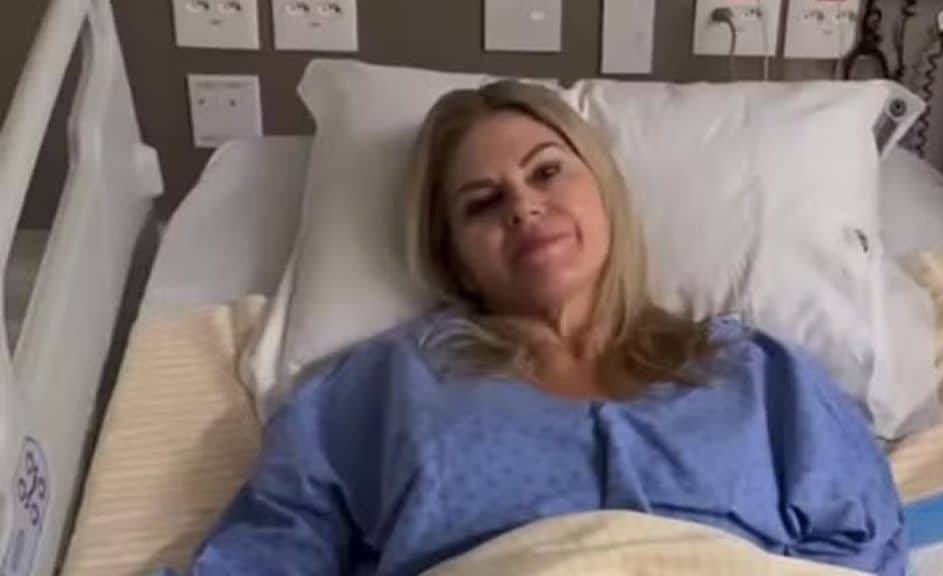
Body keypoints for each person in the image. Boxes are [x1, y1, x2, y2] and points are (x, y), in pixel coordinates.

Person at [191, 81, 907, 575]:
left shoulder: (757, 375)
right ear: (457, 258)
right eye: (482, 203)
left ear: (604, 190)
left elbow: (862, 548)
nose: (523, 207)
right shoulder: (384, 387)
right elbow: (271, 551)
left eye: (547, 172)